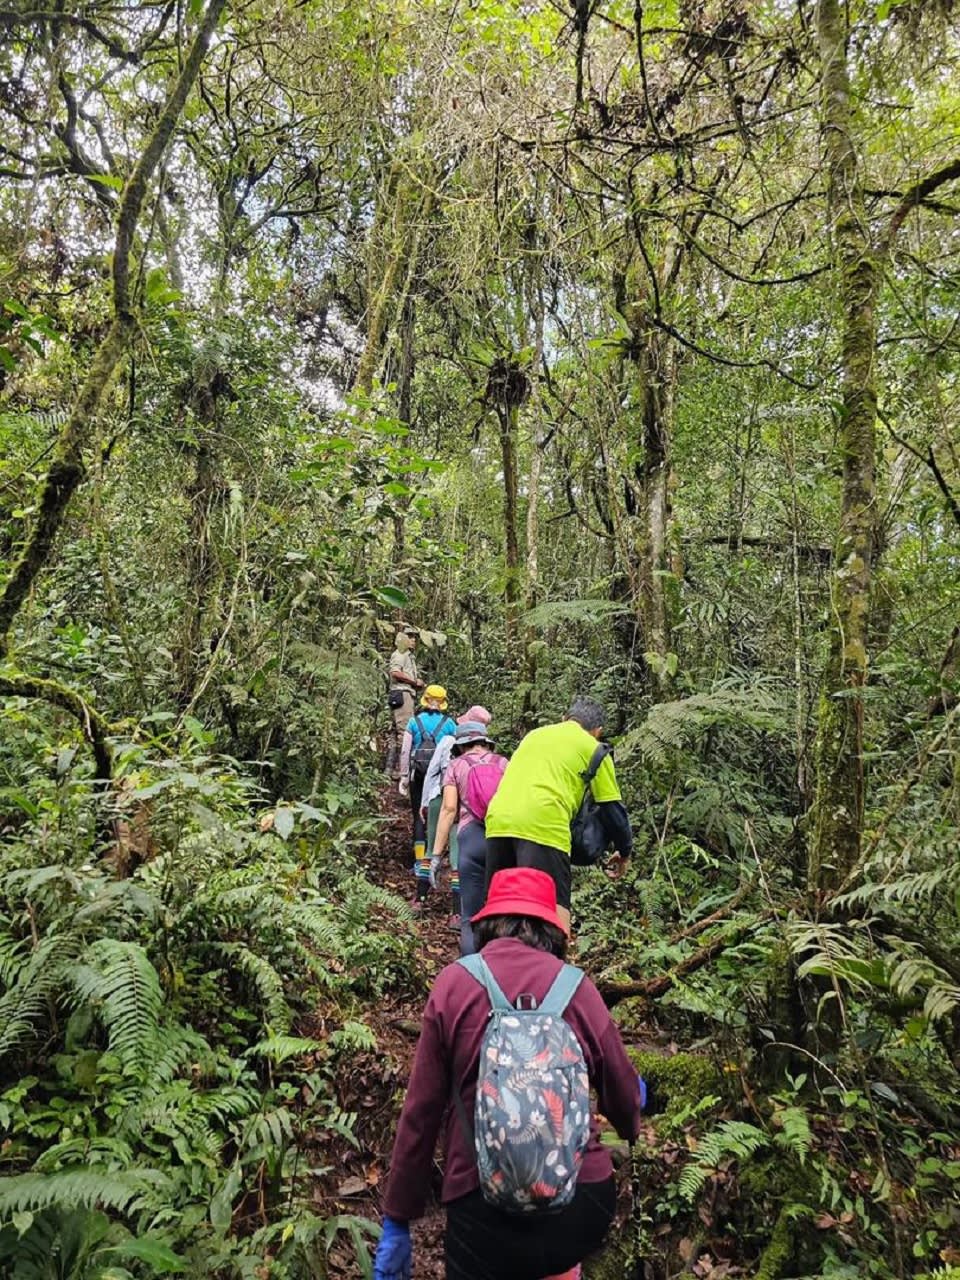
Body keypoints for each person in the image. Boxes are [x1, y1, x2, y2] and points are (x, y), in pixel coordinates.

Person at [372, 867, 644, 1280]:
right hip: (580, 1202)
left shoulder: (453, 985)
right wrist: (632, 1118)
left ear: (487, 924)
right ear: (552, 930)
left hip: (481, 1210)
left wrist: (398, 1216)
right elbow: (623, 1099)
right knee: (555, 1253)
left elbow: (421, 1112)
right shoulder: (578, 989)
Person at [483, 697, 633, 936]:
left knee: (501, 905)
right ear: (598, 731)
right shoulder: (594, 748)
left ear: (565, 718)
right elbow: (611, 808)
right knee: (553, 910)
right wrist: (624, 851)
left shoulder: (534, 736)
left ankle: (491, 956)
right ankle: (554, 958)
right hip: (545, 824)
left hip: (498, 821)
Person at [430, 719, 507, 956]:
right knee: (501, 913)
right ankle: (499, 968)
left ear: (461, 745)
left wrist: (435, 856)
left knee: (470, 917)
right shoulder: (504, 763)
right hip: (502, 839)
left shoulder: (456, 765)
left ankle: (471, 973)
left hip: (471, 838)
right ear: (485, 741)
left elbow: (448, 809)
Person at [421, 705, 493, 928]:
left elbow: (447, 805)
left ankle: (422, 899)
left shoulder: (453, 756)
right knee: (463, 863)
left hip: (454, 814)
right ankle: (464, 915)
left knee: (436, 850)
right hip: (491, 828)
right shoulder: (501, 762)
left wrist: (424, 803)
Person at [399, 686, 456, 907]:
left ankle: (419, 860)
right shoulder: (449, 724)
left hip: (418, 775)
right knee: (440, 819)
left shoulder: (414, 722)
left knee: (418, 816)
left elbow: (406, 750)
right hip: (441, 781)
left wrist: (404, 776)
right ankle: (440, 857)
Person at [386, 626, 424, 777]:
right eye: (410, 637)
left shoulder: (408, 656)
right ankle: (400, 769)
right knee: (404, 731)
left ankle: (390, 768)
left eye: (414, 637)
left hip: (404, 693)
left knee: (397, 731)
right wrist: (414, 682)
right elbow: (395, 672)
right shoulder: (400, 654)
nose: (413, 640)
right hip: (402, 693)